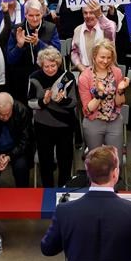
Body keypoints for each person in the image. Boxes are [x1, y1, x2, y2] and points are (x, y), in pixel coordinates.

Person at [28, 47, 78, 188]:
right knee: (46, 162)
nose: (50, 69)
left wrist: (62, 100)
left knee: (65, 161)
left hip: (65, 126)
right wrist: (43, 102)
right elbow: (30, 102)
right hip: (43, 126)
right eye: (46, 66)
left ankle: (64, 188)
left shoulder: (68, 76)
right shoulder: (34, 77)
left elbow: (74, 102)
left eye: (53, 65)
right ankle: (47, 190)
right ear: (41, 65)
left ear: (58, 63)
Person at [78, 41, 128, 150]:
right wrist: (99, 94)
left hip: (114, 120)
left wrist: (120, 90)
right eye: (102, 57)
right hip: (93, 122)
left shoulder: (117, 72)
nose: (106, 61)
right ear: (94, 56)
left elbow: (120, 103)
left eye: (109, 57)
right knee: (96, 161)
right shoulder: (84, 77)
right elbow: (88, 109)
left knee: (115, 159)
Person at [0, 92, 32, 188]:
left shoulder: (21, 110)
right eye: (2, 115)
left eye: (8, 113)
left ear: (12, 106)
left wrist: (9, 156)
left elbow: (25, 139)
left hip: (16, 149)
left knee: (22, 169)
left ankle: (23, 199)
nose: (6, 117)